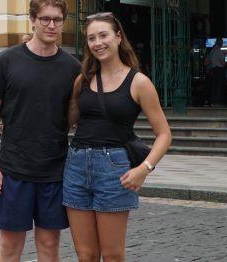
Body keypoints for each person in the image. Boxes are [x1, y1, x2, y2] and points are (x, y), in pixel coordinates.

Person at [0, 0, 82, 262]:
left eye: (58, 20)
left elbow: (74, 117)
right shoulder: (7, 60)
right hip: (13, 169)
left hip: (55, 171)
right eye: (45, 19)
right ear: (32, 20)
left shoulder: (73, 67)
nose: (52, 25)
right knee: (10, 247)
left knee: (49, 246)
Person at [64, 13, 171, 262]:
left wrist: (144, 168)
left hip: (114, 168)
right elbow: (65, 122)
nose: (97, 42)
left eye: (103, 35)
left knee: (112, 255)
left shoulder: (139, 82)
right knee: (86, 255)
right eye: (91, 38)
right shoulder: (84, 79)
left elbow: (164, 134)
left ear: (118, 37)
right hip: (76, 165)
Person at [204, 38, 226, 106]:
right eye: (222, 43)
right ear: (220, 43)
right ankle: (217, 101)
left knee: (214, 86)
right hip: (219, 70)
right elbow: (223, 61)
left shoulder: (212, 50)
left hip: (213, 69)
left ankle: (213, 101)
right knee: (218, 86)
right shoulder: (218, 51)